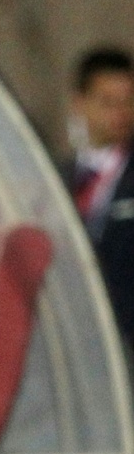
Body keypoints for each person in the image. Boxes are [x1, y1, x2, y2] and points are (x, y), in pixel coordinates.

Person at [61, 46, 134, 356]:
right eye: (107, 102)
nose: (120, 113)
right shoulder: (59, 177)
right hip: (77, 342)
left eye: (127, 101)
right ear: (79, 103)